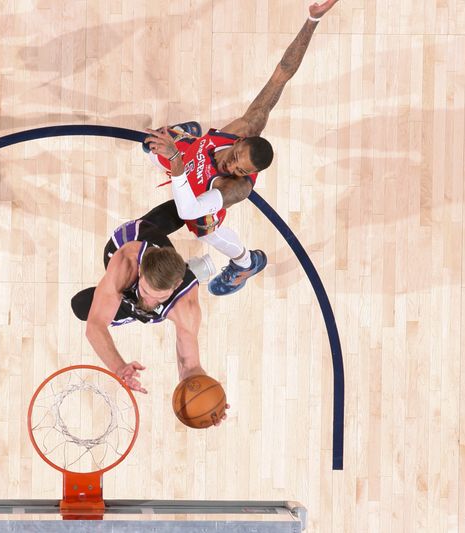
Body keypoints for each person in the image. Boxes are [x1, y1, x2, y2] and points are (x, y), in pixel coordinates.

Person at [143, 0, 339, 295]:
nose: (231, 166)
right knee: (151, 145)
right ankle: (188, 136)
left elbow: (187, 209)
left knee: (204, 229)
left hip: (200, 202)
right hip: (189, 159)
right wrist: (312, 20)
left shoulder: (235, 187)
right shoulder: (246, 126)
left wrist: (175, 162)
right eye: (235, 157)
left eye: (239, 169)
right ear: (241, 140)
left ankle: (246, 263)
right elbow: (283, 72)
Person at [71, 204, 230, 423]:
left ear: (174, 287)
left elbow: (190, 366)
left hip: (165, 263)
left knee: (148, 311)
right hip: (128, 238)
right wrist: (120, 368)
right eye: (146, 290)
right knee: (81, 307)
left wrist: (207, 394)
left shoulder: (186, 307)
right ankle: (182, 227)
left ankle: (189, 266)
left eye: (159, 296)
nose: (149, 300)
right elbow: (94, 327)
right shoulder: (125, 262)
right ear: (140, 272)